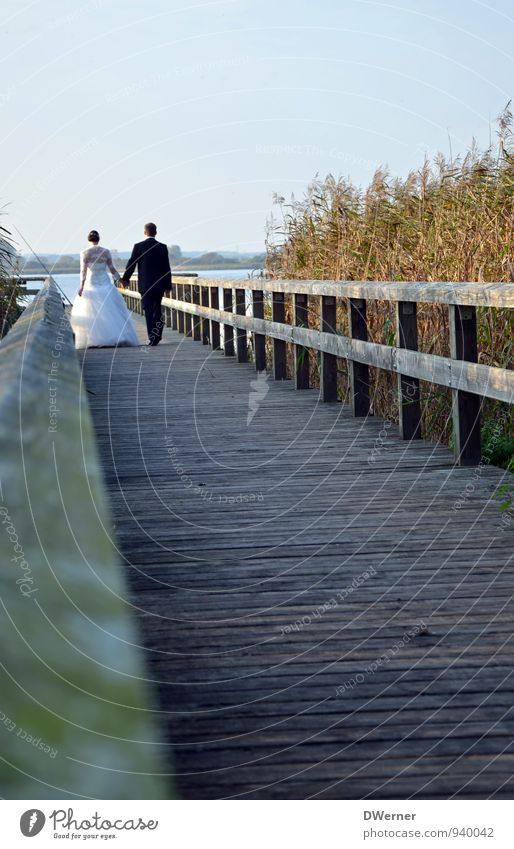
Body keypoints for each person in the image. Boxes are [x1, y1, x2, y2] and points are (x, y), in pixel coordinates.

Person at [70, 230, 139, 349]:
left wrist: (81, 286)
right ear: (99, 239)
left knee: (91, 309)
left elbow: (83, 271)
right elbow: (112, 268)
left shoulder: (84, 252)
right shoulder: (105, 251)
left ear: (88, 239)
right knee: (111, 308)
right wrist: (121, 280)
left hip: (91, 282)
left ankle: (95, 338)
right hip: (105, 281)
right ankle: (116, 335)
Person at [121, 222, 172, 346]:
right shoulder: (162, 247)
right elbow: (167, 268)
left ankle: (153, 337)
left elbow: (131, 264)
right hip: (159, 285)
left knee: (148, 311)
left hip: (145, 285)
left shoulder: (139, 246)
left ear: (145, 232)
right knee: (157, 309)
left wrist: (125, 279)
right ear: (156, 232)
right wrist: (168, 286)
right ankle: (158, 334)